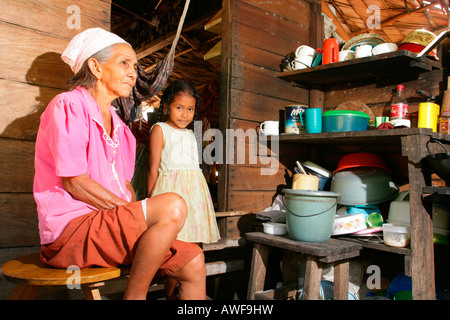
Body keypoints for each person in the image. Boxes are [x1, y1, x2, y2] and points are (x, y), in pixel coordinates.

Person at [33, 28, 206, 300]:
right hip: (72, 233)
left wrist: (134, 214)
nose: (133, 73)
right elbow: (74, 181)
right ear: (96, 67)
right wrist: (135, 214)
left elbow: (126, 187)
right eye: (124, 62)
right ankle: (134, 297)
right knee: (172, 205)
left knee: (194, 260)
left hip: (109, 226)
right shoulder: (68, 106)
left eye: (135, 66)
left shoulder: (122, 130)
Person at [147, 80, 220, 244]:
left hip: (193, 196)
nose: (185, 114)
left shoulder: (190, 133)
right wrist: (150, 201)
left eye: (190, 109)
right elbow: (152, 168)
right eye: (179, 108)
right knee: (169, 237)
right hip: (169, 192)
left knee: (191, 238)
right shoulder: (160, 129)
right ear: (166, 106)